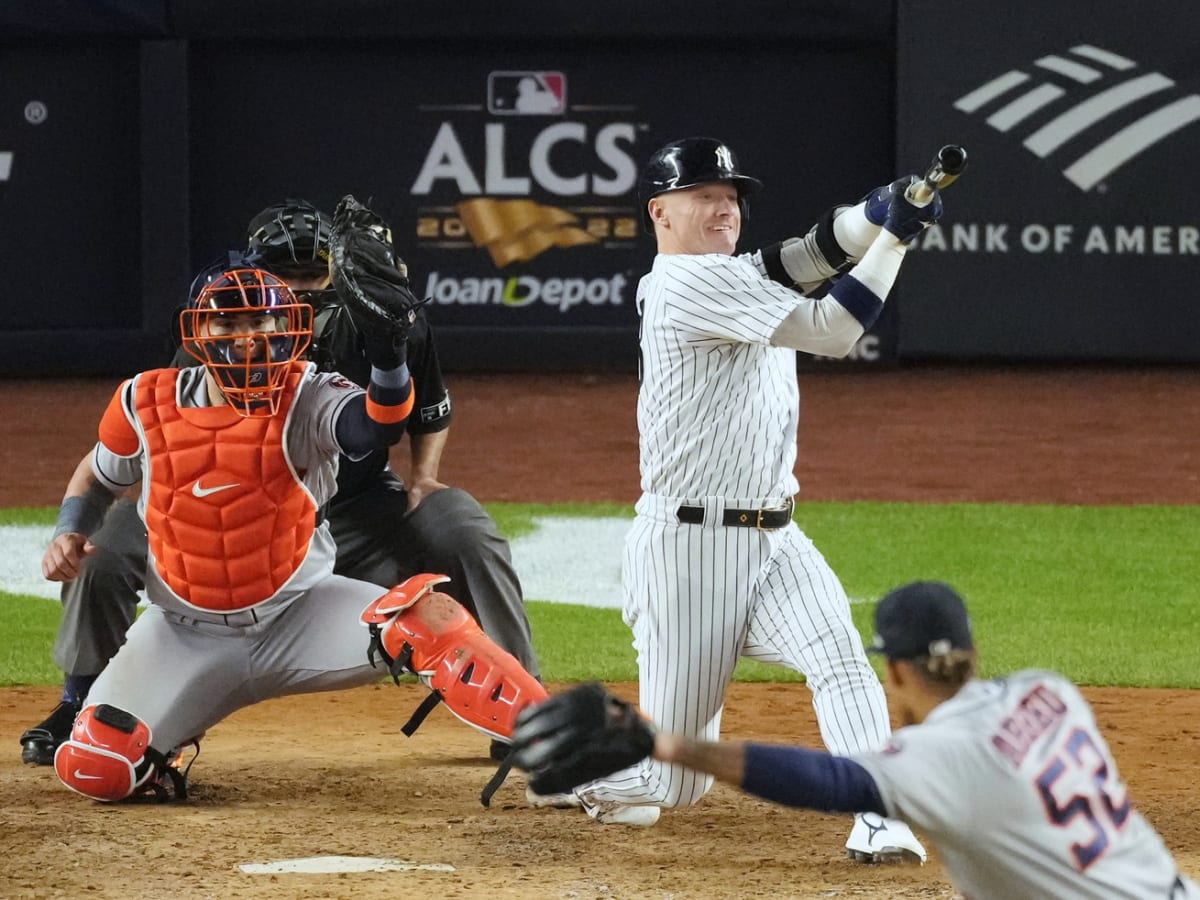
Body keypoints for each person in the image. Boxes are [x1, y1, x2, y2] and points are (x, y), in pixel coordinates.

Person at [19, 198, 539, 766]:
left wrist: (423, 473)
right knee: (104, 554)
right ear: (202, 329)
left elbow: (387, 421)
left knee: (459, 529)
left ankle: (529, 716)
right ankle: (81, 701)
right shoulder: (164, 381)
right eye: (229, 321)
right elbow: (116, 467)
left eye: (311, 275)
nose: (246, 335)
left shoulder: (358, 343)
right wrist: (74, 529)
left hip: (354, 512)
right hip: (201, 559)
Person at [552, 136, 940, 862]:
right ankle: (585, 769)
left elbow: (804, 255)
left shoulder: (737, 279)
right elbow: (837, 328)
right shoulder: (681, 285)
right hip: (689, 550)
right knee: (679, 783)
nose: (724, 207)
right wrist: (891, 240)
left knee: (841, 657)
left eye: (731, 197)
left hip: (776, 535)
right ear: (659, 212)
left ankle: (880, 815)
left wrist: (881, 211)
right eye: (704, 196)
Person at [649, 581, 1200, 899]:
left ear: (896, 672)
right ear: (974, 653)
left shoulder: (937, 761)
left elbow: (826, 780)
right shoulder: (1050, 692)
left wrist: (670, 747)